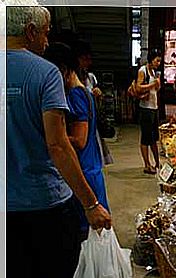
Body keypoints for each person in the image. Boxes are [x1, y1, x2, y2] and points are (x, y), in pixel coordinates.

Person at [6, 4, 111, 278]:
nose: (49, 41)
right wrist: (90, 203)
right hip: (48, 203)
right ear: (31, 31)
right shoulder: (45, 73)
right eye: (47, 32)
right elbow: (59, 146)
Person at [44, 42, 111, 234]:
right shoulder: (85, 93)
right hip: (91, 169)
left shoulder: (75, 95)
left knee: (87, 234)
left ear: (63, 70)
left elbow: (80, 140)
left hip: (83, 173)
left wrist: (52, 133)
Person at [137, 49, 162, 174]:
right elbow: (138, 86)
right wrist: (152, 85)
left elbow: (157, 89)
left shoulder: (154, 72)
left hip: (154, 107)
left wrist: (157, 84)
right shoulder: (143, 71)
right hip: (145, 108)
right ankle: (147, 165)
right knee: (146, 138)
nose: (158, 63)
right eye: (157, 60)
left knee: (153, 138)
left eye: (159, 61)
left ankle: (157, 163)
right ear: (151, 60)